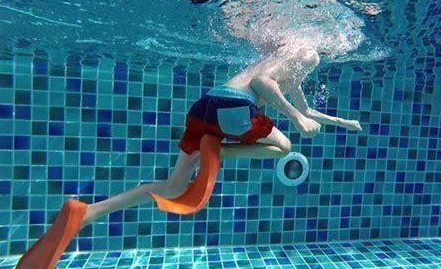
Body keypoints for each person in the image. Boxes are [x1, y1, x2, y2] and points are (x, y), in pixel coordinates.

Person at [80, 42, 362, 228]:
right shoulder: (305, 54)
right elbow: (260, 83)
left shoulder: (289, 73)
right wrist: (296, 117)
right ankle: (218, 151)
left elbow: (307, 110)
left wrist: (343, 122)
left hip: (206, 108)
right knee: (284, 146)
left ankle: (90, 212)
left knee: (174, 187)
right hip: (233, 108)